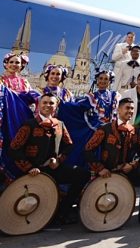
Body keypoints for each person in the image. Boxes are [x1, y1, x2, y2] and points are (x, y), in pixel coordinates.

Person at [9, 93, 89, 225]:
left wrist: (59, 160)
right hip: (34, 171)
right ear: (39, 105)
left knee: (82, 175)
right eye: (44, 102)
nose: (47, 105)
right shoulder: (29, 125)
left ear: (56, 106)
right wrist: (29, 167)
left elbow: (69, 145)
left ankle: (63, 212)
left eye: (51, 103)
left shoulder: (60, 124)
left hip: (54, 168)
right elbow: (14, 149)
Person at [85, 97, 140, 224]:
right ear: (118, 110)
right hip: (107, 172)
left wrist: (133, 164)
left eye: (132, 109)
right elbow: (87, 150)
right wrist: (100, 168)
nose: (130, 111)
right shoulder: (105, 128)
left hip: (127, 171)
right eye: (127, 108)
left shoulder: (134, 129)